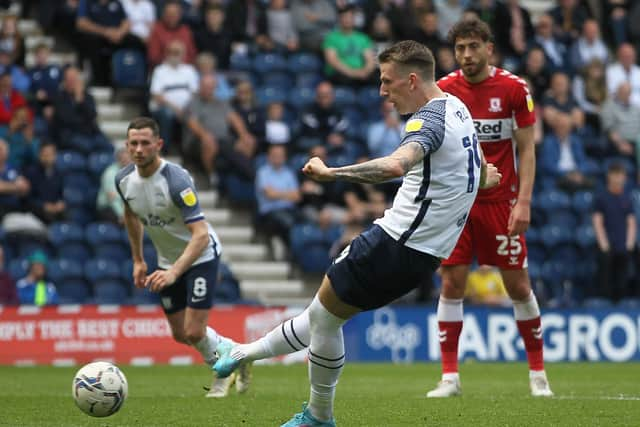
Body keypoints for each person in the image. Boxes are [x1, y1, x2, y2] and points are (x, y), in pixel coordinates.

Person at [212, 40, 501, 426]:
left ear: (412, 79)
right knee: (323, 317)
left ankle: (316, 415)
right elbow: (476, 166)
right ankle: (244, 354)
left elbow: (398, 164)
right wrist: (482, 177)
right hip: (425, 257)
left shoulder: (427, 120)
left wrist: (333, 173)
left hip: (393, 243)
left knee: (324, 320)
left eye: (387, 81)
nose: (382, 92)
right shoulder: (459, 108)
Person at [430, 18, 553, 398]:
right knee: (452, 283)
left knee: (517, 285)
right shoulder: (445, 91)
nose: (466, 55)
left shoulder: (514, 89)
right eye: (460, 48)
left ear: (489, 49)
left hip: (501, 203)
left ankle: (538, 375)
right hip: (458, 204)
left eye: (472, 47)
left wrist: (524, 202)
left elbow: (526, 149)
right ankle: (449, 377)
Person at [116, 116, 252, 398]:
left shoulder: (176, 180)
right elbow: (130, 216)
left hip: (200, 255)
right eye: (133, 144)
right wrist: (138, 259)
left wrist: (174, 272)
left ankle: (222, 373)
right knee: (179, 333)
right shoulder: (124, 181)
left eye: (145, 143)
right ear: (127, 146)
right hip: (168, 263)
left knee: (193, 330)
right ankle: (238, 353)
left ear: (158, 144)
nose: (139, 149)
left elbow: (200, 234)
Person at [592, 162, 636, 302]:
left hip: (622, 245)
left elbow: (631, 222)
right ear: (609, 176)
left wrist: (629, 243)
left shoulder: (627, 198)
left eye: (621, 175)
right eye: (616, 175)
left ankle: (622, 304)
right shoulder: (601, 197)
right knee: (606, 281)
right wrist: (604, 244)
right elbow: (597, 221)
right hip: (607, 246)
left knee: (622, 280)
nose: (618, 179)